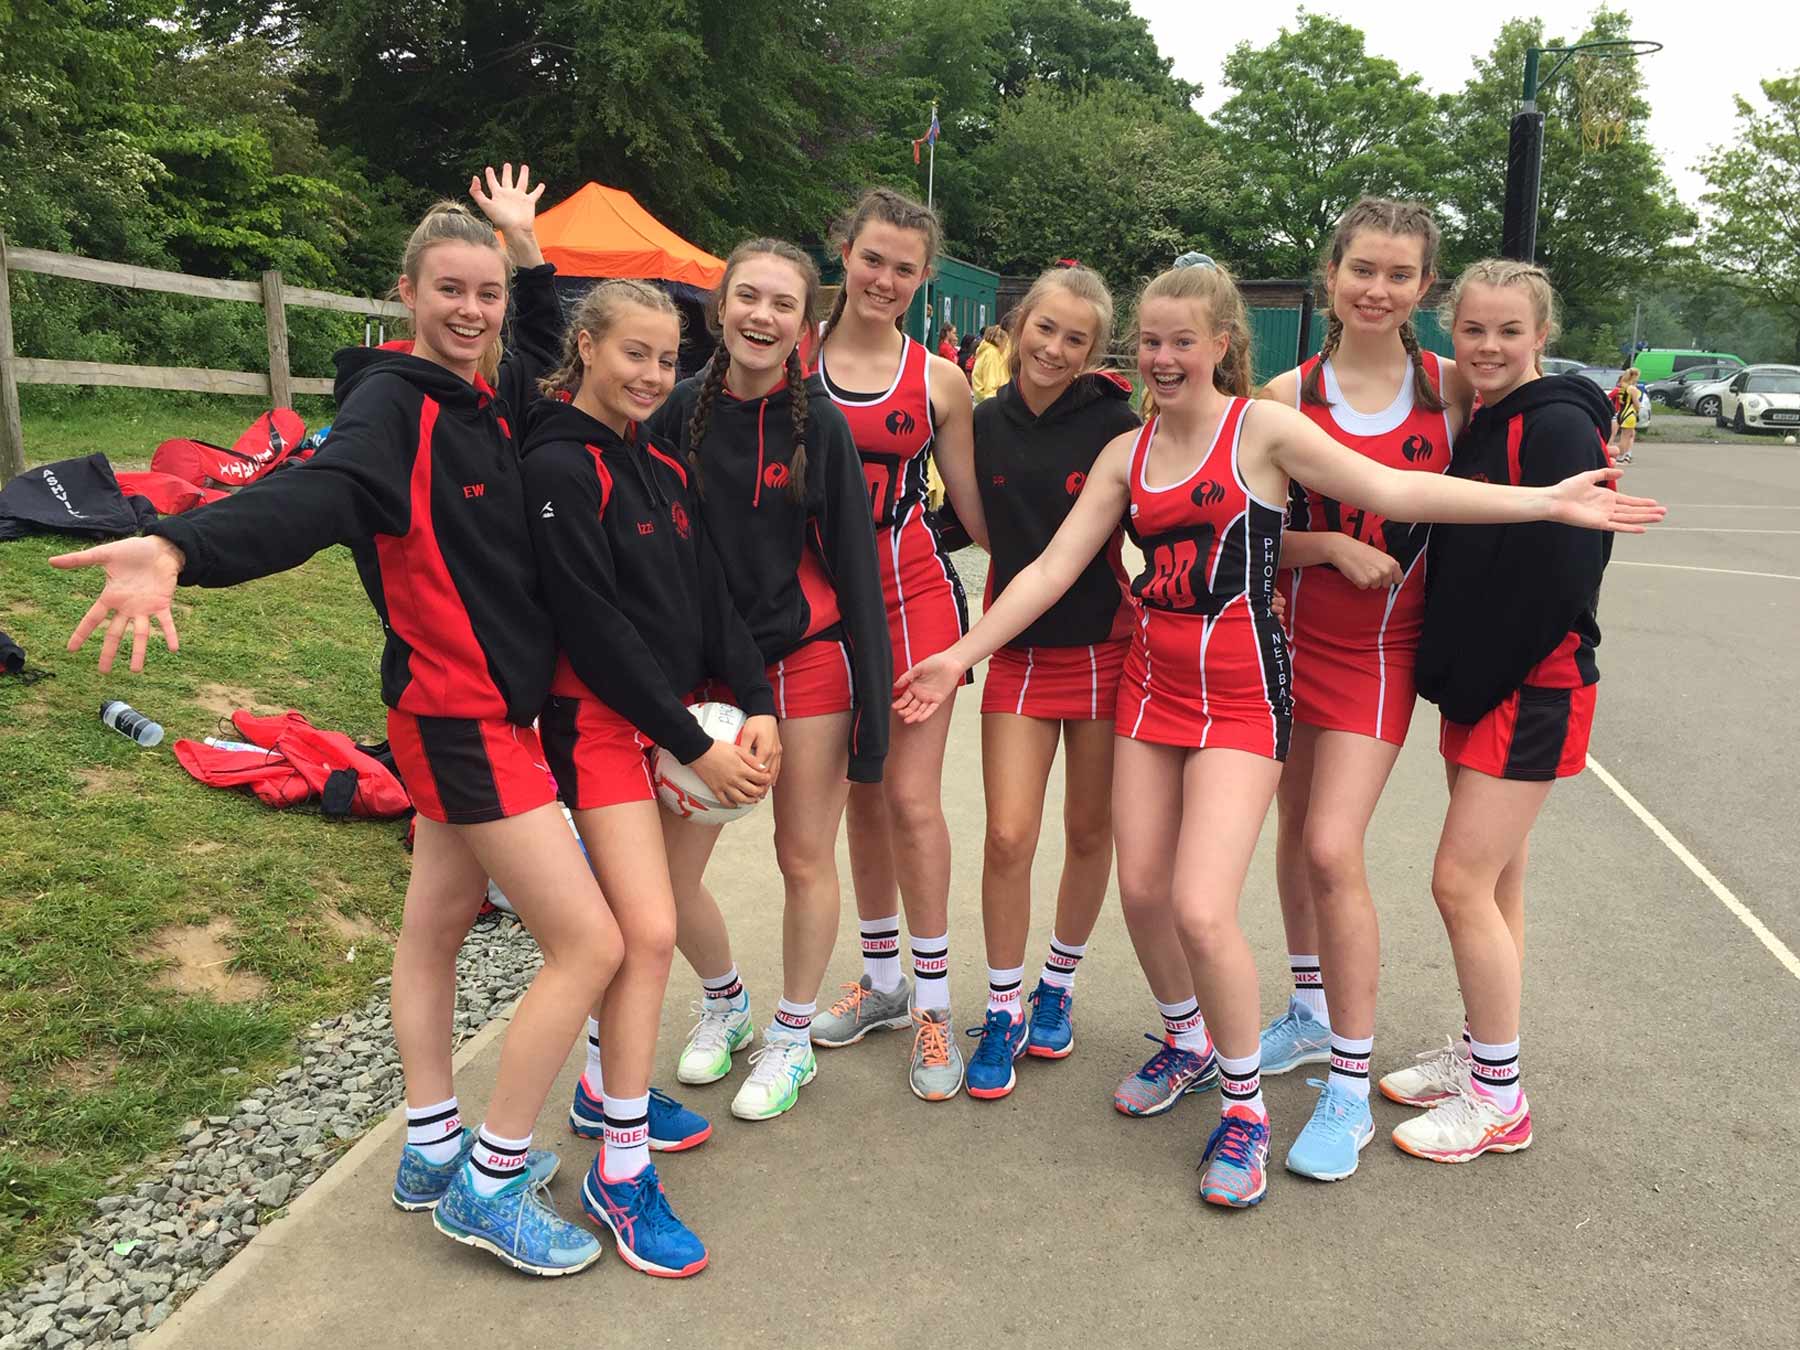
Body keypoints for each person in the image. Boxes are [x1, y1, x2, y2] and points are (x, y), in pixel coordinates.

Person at [893, 259, 1661, 1208]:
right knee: (1140, 890)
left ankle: (1246, 1109)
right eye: (1152, 342)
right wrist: (958, 654)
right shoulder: (1125, 454)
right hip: (1149, 687)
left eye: (1184, 341)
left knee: (1203, 906)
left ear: (1222, 345)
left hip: (1243, 694)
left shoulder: (1262, 430)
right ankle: (1187, 1039)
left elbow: (1398, 492)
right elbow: (1050, 569)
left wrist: (1548, 502)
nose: (1165, 358)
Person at [53, 168, 628, 1275]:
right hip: (459, 717)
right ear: (407, 291)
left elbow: (546, 343)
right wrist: (181, 546)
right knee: (590, 940)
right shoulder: (394, 406)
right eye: (450, 290)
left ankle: (428, 1149)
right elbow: (314, 497)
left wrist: (527, 248)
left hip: (451, 709)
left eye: (488, 293)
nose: (472, 310)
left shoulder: (487, 390)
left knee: (436, 923)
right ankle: (493, 1182)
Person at [519, 279, 779, 1276]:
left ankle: (601, 1094)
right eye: (633, 353)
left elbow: (715, 602)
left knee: (649, 922)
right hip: (598, 728)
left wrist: (757, 706)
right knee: (650, 931)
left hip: (663, 733)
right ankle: (619, 1172)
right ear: (584, 346)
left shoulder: (661, 467)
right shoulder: (554, 463)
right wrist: (695, 741)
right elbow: (592, 626)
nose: (650, 375)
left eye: (667, 361)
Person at [1382, 259, 1626, 1163]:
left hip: (1531, 685)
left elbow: (1565, 576)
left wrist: (1475, 673)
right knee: (1497, 883)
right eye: (1474, 330)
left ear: (1541, 336)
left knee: (1457, 883)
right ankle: (1483, 1054)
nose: (1487, 346)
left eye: (1508, 332)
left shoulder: (1557, 424)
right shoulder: (1485, 418)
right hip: (1483, 680)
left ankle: (1500, 1100)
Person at [643, 238, 891, 1122]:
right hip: (706, 675)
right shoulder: (673, 413)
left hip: (805, 660)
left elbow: (857, 569)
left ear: (805, 324)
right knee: (668, 878)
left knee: (802, 856)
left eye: (782, 304)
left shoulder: (815, 422)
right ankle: (726, 999)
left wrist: (873, 721)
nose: (762, 316)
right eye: (747, 297)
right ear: (719, 308)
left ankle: (790, 1035)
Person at [1255, 198, 1475, 1182]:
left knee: (1332, 849)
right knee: (1295, 843)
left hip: (1386, 656)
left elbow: (1513, 477)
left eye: (1399, 274)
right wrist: (1330, 542)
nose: (1377, 290)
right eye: (1362, 270)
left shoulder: (1455, 389)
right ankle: (1307, 1014)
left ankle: (1349, 1083)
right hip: (1293, 641)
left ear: (1425, 286)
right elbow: (1251, 540)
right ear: (1331, 272)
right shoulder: (1288, 394)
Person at [807, 185, 988, 1101]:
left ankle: (933, 1005)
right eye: (872, 258)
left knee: (911, 801)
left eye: (904, 268)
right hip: (814, 604)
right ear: (844, 252)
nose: (884, 278)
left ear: (924, 282)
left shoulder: (940, 380)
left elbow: (977, 509)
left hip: (912, 593)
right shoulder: (790, 357)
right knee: (859, 796)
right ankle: (881, 984)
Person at [959, 264, 1148, 1101]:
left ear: (1095, 349)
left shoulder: (1117, 423)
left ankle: (1057, 985)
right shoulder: (977, 424)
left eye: (1077, 338)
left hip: (1109, 652)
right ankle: (1002, 1006)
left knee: (1086, 833)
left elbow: (1182, 525)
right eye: (1046, 329)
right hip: (1019, 654)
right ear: (1018, 325)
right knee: (1007, 837)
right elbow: (955, 524)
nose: (1056, 349)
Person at [972, 324, 1011, 402]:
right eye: (1006, 342)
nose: (1006, 346)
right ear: (998, 340)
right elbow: (990, 386)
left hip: (982, 399)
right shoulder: (992, 353)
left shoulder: (987, 351)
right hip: (990, 401)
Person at [1610, 367, 1641, 463]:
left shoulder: (1622, 386)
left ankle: (1621, 455)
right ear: (1634, 376)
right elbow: (1636, 403)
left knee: (1627, 435)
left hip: (1621, 412)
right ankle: (1620, 456)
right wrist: (1638, 410)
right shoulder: (1632, 389)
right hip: (1629, 413)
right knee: (1625, 437)